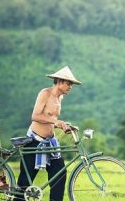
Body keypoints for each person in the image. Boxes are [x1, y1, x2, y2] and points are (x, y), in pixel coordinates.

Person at [15, 66, 81, 201]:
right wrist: (56, 122)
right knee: (25, 181)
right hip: (34, 141)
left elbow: (53, 120)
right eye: (69, 83)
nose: (71, 87)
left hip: (50, 142)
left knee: (60, 175)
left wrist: (64, 125)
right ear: (60, 81)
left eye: (72, 84)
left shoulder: (60, 98)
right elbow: (35, 116)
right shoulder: (45, 93)